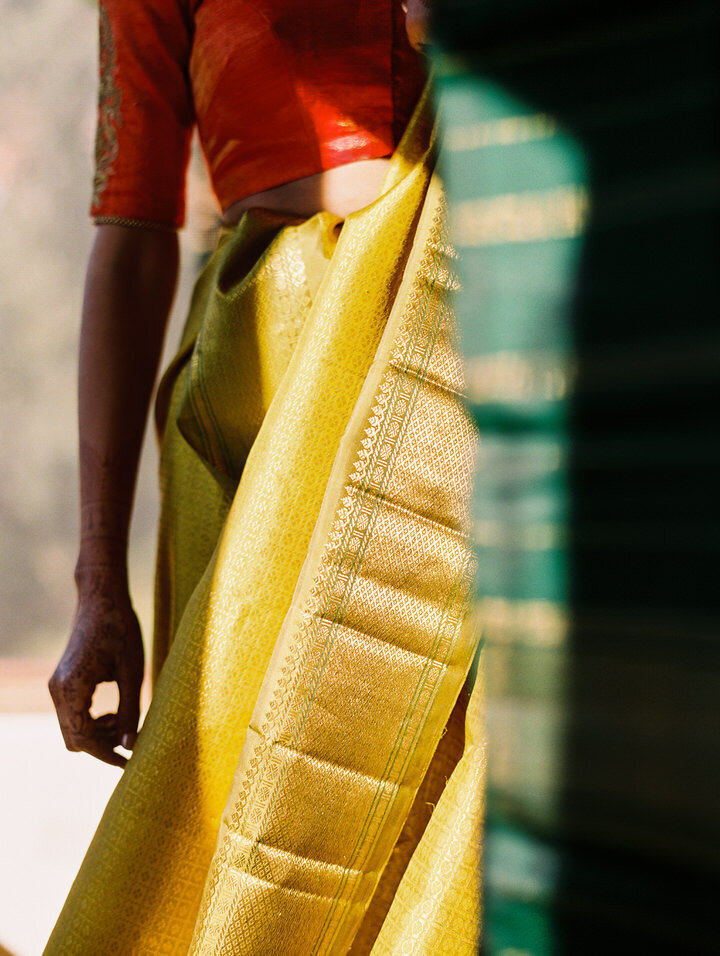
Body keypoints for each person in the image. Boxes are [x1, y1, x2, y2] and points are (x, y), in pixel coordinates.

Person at [46, 2, 483, 953]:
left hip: (461, 367)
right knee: (233, 778)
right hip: (254, 394)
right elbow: (129, 231)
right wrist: (96, 582)